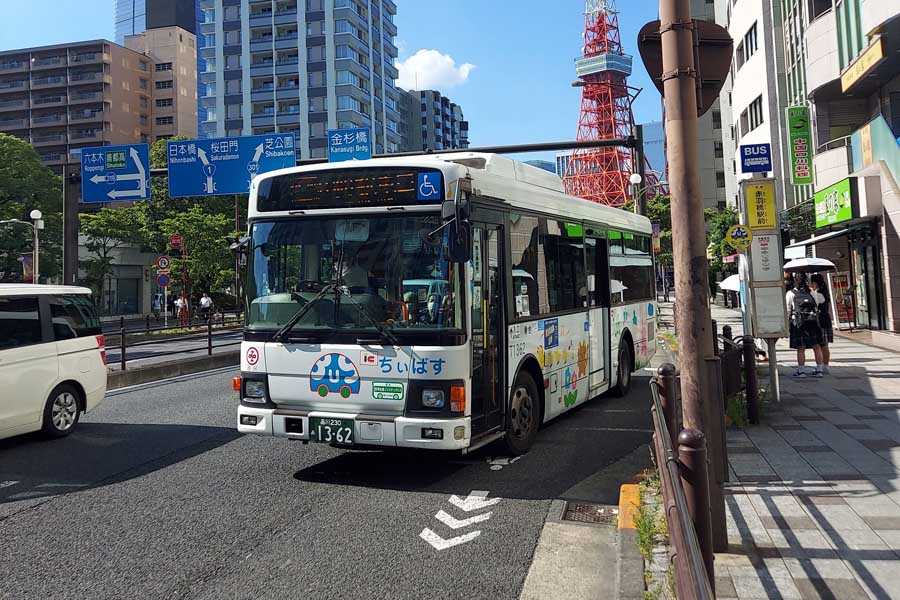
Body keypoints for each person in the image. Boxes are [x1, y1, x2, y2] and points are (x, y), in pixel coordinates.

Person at [786, 273, 825, 378]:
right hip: (813, 322)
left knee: (801, 347)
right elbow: (819, 303)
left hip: (799, 323)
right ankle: (819, 370)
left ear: (795, 280)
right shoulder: (812, 292)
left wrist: (787, 323)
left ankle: (801, 371)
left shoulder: (791, 293)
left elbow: (788, 310)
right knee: (816, 346)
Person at [809, 274, 833, 373]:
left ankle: (823, 365)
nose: (809, 284)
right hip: (825, 320)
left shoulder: (818, 294)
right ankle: (825, 365)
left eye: (810, 282)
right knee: (824, 344)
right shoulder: (823, 292)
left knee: (820, 344)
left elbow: (815, 305)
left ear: (815, 283)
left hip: (820, 321)